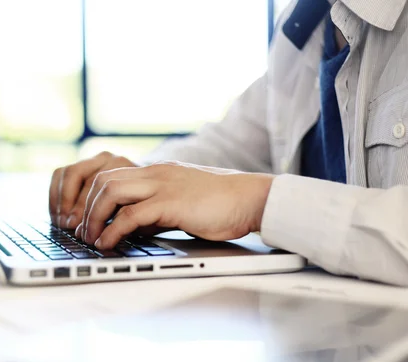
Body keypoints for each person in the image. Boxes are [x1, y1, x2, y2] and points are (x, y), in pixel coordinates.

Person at [49, 0, 408, 286]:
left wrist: (259, 202)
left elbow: (241, 191)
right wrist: (140, 181)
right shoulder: (306, 24)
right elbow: (234, 142)